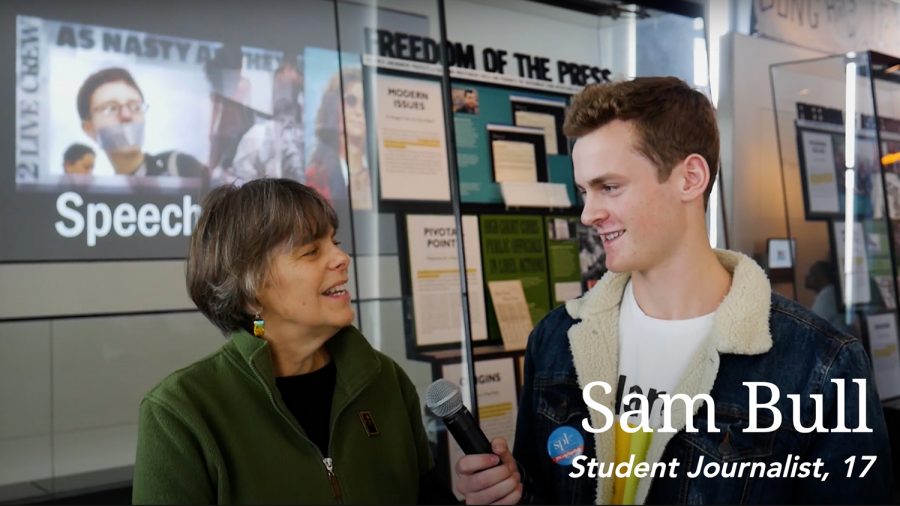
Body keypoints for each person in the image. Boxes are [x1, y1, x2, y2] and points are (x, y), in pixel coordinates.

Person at [455, 77, 893, 504]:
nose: (588, 213)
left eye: (609, 187)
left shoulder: (821, 365)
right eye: (584, 191)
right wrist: (506, 494)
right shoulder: (555, 340)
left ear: (690, 179)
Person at [132, 179, 450, 504]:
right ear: (250, 290)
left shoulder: (386, 379)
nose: (342, 257)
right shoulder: (180, 411)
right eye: (311, 251)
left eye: (335, 241)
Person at [77, 67, 207, 178]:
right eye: (110, 108)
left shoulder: (178, 167)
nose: (126, 115)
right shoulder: (99, 197)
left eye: (135, 107)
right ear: (88, 128)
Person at [231, 53, 305, 183]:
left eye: (291, 87)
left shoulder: (309, 136)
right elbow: (241, 177)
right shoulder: (258, 134)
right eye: (281, 85)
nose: (284, 93)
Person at [305, 67, 371, 209]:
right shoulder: (316, 178)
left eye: (365, 105)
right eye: (351, 101)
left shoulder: (380, 177)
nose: (359, 112)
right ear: (333, 108)